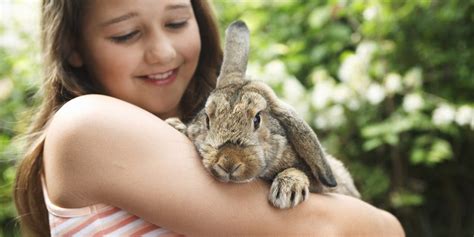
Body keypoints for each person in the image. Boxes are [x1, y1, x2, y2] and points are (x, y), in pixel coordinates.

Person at [13, 0, 405, 236]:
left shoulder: (198, 128)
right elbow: (349, 228)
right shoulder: (87, 126)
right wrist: (384, 224)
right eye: (127, 34)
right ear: (73, 46)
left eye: (177, 22)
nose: (163, 52)